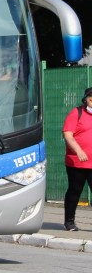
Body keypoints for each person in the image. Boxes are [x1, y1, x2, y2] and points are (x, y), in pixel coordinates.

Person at [62, 87, 92, 231]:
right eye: (90, 97)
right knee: (75, 191)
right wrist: (79, 151)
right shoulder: (76, 113)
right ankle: (69, 222)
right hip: (77, 162)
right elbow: (68, 135)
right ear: (85, 99)